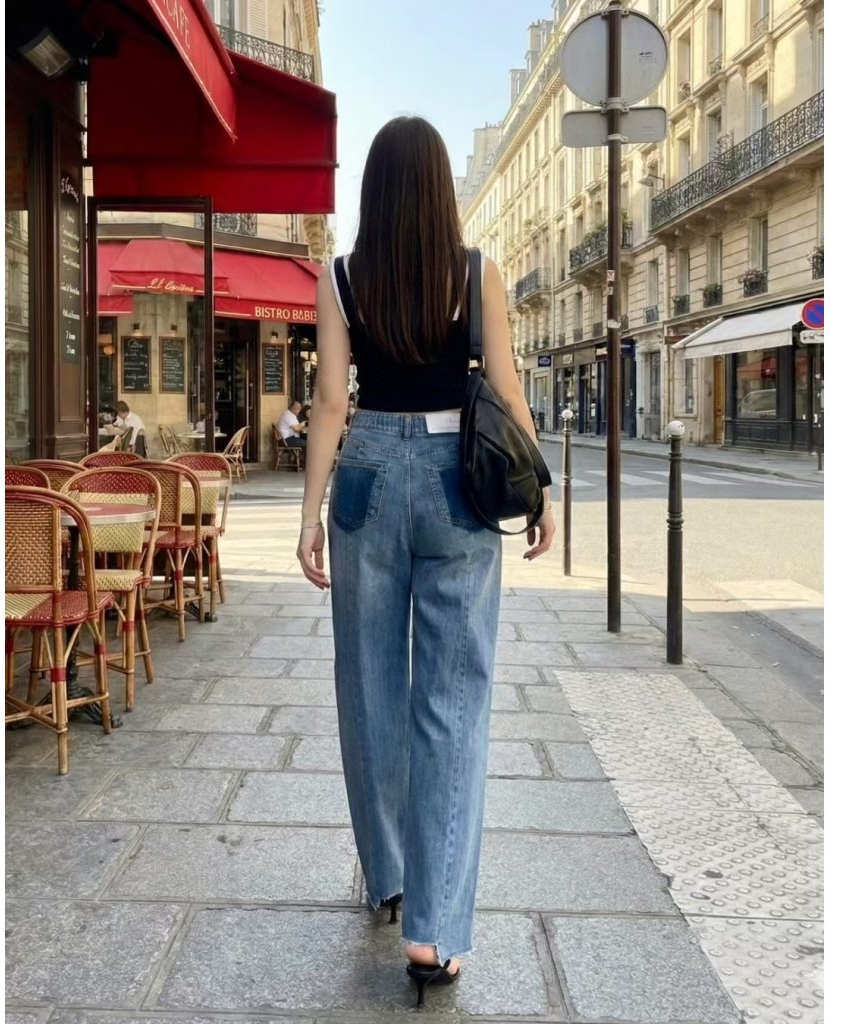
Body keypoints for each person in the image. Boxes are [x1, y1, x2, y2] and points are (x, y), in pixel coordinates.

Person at [296, 116, 554, 1007]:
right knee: (451, 702)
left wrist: (308, 514)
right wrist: (540, 490)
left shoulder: (341, 277)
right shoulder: (476, 272)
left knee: (369, 686)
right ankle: (433, 932)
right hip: (456, 479)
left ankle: (389, 873)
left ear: (374, 189)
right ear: (443, 188)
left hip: (366, 472)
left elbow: (331, 401)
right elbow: (507, 388)